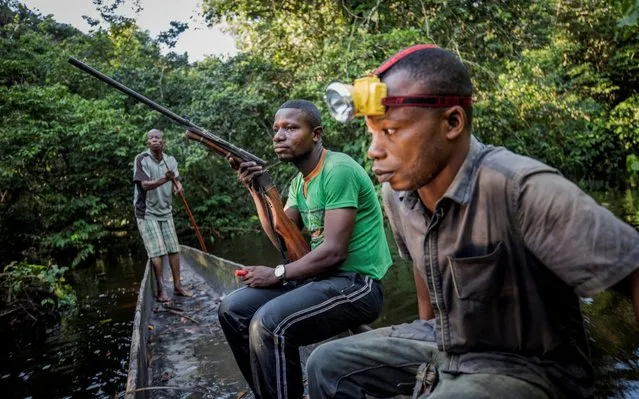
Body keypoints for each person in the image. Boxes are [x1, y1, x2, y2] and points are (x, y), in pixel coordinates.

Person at [306, 45, 639, 398]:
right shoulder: (396, 193)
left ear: (452, 122)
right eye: (372, 132)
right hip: (447, 342)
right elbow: (424, 275)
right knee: (326, 363)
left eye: (391, 131)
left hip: (529, 366)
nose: (373, 150)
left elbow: (633, 268)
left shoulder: (520, 188)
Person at [217, 100, 393, 399]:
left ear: (316, 134)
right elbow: (281, 236)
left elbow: (334, 252)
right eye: (276, 130)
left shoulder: (338, 169)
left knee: (269, 324)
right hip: (321, 279)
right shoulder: (300, 183)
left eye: (290, 128)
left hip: (358, 285)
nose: (278, 136)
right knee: (232, 309)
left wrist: (277, 273)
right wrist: (257, 191)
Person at [133, 128, 192, 302]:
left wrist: (178, 187)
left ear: (163, 141)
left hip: (166, 211)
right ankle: (160, 291)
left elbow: (176, 180)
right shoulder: (141, 159)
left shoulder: (170, 161)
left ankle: (178, 287)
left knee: (174, 249)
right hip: (147, 212)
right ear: (148, 143)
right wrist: (165, 179)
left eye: (158, 137)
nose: (155, 140)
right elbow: (144, 185)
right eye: (151, 138)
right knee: (157, 252)